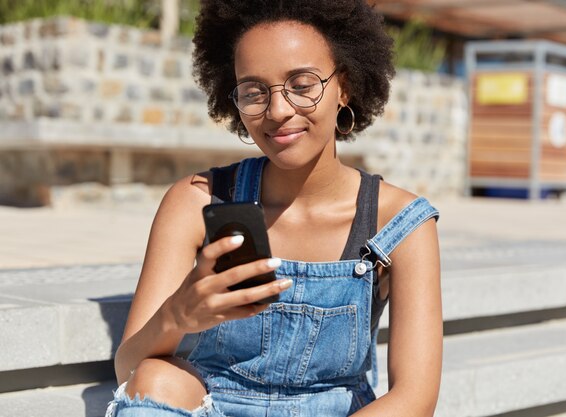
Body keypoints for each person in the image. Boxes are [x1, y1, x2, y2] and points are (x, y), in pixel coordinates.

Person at [106, 1, 442, 416]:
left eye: (302, 84)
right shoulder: (197, 201)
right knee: (155, 379)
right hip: (214, 406)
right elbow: (130, 370)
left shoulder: (400, 223)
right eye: (254, 91)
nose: (278, 111)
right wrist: (179, 314)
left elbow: (415, 399)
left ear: (346, 87)